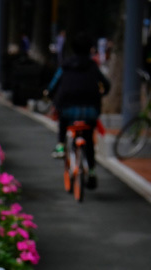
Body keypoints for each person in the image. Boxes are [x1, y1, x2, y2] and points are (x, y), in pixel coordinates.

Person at [46, 32, 110, 189]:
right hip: (90, 110)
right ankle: (92, 172)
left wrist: (49, 94)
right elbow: (106, 85)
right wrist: (101, 94)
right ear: (90, 49)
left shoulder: (65, 65)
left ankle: (61, 144)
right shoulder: (93, 66)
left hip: (68, 108)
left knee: (63, 120)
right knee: (88, 139)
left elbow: (53, 85)